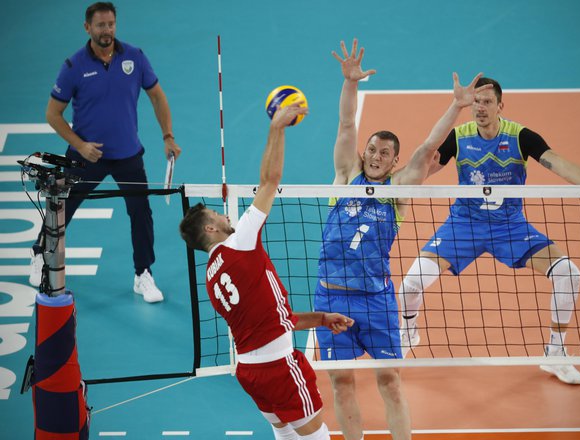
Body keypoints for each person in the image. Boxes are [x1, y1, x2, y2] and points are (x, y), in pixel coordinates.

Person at [397, 77, 580, 385]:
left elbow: (562, 165)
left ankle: (555, 352)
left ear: (501, 106)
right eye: (476, 102)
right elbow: (420, 171)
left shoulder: (521, 137)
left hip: (510, 227)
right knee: (409, 284)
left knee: (569, 274)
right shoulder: (458, 137)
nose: (480, 108)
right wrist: (386, 184)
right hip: (463, 225)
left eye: (487, 102)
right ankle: (408, 334)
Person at [314, 39, 492, 440]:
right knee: (342, 383)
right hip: (331, 297)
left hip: (376, 299)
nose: (376, 155)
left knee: (390, 381)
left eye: (385, 152)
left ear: (396, 162)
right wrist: (350, 83)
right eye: (372, 149)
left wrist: (458, 106)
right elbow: (346, 126)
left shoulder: (398, 191)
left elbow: (429, 147)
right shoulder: (344, 179)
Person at [179, 100, 354, 440]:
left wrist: (318, 319)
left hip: (250, 372)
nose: (224, 215)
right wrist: (276, 129)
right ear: (210, 230)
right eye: (217, 215)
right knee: (316, 435)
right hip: (278, 367)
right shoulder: (239, 242)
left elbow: (266, 322)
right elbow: (269, 180)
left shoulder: (211, 278)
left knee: (285, 432)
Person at [29, 2, 181, 303]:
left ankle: (143, 274)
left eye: (111, 24)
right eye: (100, 25)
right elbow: (53, 114)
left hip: (128, 155)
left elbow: (157, 97)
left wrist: (167, 136)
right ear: (88, 28)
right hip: (86, 155)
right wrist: (81, 144)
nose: (107, 30)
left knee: (141, 213)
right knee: (62, 209)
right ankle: (39, 254)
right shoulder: (73, 67)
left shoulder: (135, 58)